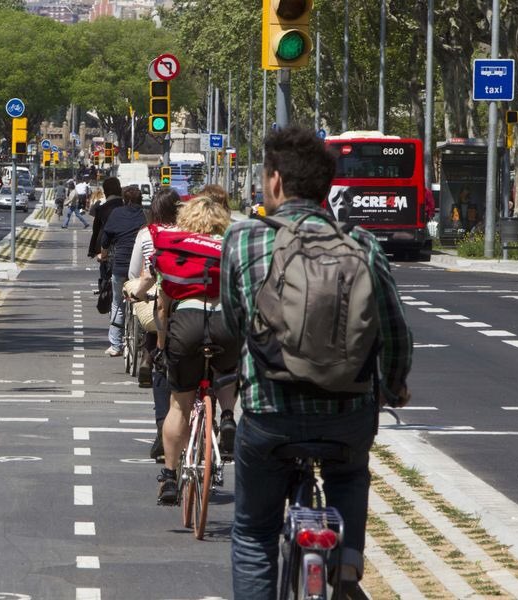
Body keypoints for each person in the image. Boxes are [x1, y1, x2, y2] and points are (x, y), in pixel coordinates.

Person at [221, 126, 412, 599]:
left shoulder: (243, 240)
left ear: (276, 182)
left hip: (269, 413)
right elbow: (394, 331)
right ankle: (347, 563)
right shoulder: (362, 243)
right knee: (349, 473)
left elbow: (233, 320)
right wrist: (393, 386)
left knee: (253, 534)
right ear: (327, 187)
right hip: (347, 412)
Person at [150, 196, 238, 505]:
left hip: (186, 323)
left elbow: (162, 307)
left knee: (179, 406)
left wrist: (162, 343)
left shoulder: (179, 248)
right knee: (228, 372)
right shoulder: (230, 247)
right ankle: (227, 416)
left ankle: (170, 478)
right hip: (225, 323)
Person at [123, 188, 180, 459]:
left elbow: (136, 273)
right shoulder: (191, 234)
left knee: (156, 327)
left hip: (159, 303)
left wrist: (136, 290)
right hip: (199, 313)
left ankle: (161, 427)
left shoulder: (148, 235)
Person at [99, 185, 147, 357]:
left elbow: (106, 239)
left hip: (120, 266)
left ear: (124, 200)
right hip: (142, 269)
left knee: (118, 303)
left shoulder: (117, 214)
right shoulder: (145, 215)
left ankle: (116, 345)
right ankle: (143, 340)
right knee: (143, 302)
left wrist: (103, 255)